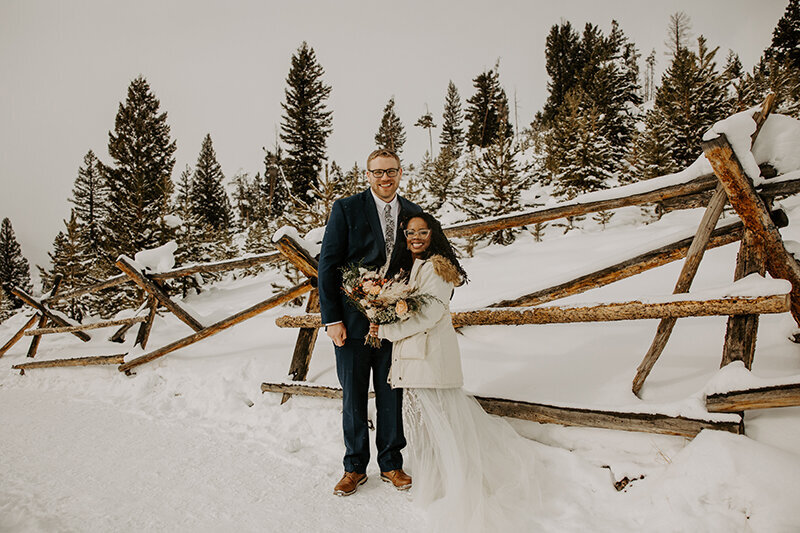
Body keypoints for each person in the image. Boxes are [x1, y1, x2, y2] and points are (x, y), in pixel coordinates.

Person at [370, 212, 540, 532]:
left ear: (433, 234)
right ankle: (438, 487)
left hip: (430, 358)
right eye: (410, 232)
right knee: (429, 430)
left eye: (423, 231)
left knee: (443, 427)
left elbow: (429, 314)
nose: (416, 237)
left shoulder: (437, 268)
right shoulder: (411, 268)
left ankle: (458, 491)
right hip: (414, 359)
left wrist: (387, 330)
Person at [317, 148, 422, 497]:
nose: (384, 178)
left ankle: (392, 463)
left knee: (392, 392)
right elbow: (328, 265)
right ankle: (354, 467)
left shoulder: (414, 214)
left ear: (400, 173)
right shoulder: (346, 209)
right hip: (351, 322)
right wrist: (331, 319)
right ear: (367, 175)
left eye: (390, 171)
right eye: (377, 172)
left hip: (395, 322)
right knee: (354, 396)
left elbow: (427, 263)